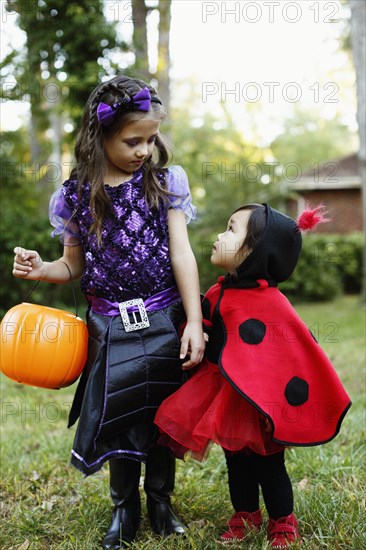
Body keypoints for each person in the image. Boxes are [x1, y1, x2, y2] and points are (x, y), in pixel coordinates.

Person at [12, 75, 205, 549]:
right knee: (118, 413)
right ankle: (125, 508)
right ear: (100, 136)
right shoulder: (76, 194)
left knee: (162, 413)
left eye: (151, 139)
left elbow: (181, 254)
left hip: (164, 318)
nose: (144, 149)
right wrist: (42, 268)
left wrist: (195, 320)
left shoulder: (163, 182)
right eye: (132, 140)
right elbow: (71, 266)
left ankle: (160, 500)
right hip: (109, 324)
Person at [155, 203, 351, 548]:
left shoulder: (272, 302)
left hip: (261, 400)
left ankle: (282, 521)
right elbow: (206, 323)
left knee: (269, 465)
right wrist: (195, 328)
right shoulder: (218, 292)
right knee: (236, 462)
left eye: (231, 230)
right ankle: (245, 514)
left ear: (255, 251)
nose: (220, 235)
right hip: (224, 394)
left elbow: (294, 351)